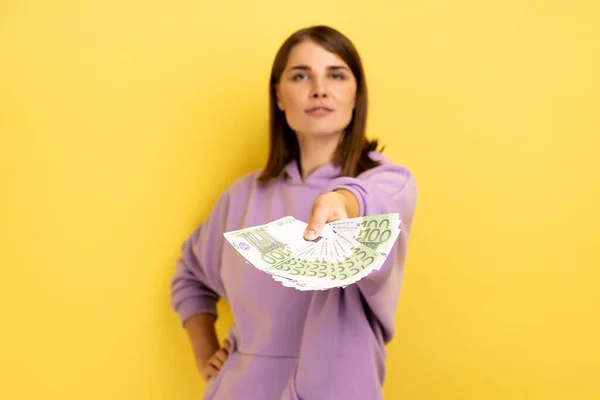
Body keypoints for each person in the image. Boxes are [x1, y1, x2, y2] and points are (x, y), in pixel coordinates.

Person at [170, 25, 418, 400]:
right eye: (300, 75)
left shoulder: (388, 183)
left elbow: (373, 203)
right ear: (280, 97)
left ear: (356, 96)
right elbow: (190, 273)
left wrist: (340, 200)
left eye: (336, 75)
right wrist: (205, 351)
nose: (319, 88)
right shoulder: (242, 196)